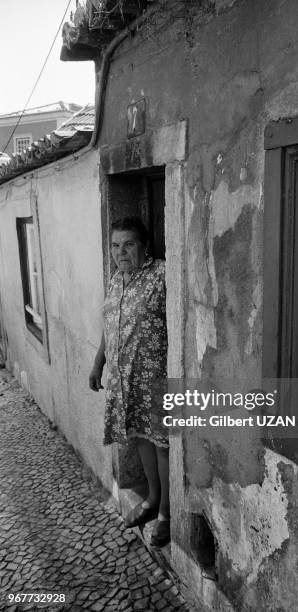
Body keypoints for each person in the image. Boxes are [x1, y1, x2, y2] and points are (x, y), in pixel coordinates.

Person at [89, 216, 170, 546]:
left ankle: (166, 513)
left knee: (162, 444)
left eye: (129, 244)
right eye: (115, 245)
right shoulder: (115, 280)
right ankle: (151, 500)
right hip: (125, 382)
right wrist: (98, 363)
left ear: (144, 246)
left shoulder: (162, 275)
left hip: (156, 381)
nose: (121, 252)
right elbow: (110, 328)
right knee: (139, 439)